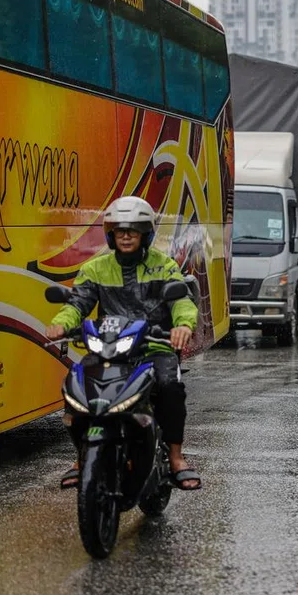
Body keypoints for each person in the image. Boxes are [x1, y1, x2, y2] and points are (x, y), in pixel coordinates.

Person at [46, 196, 202, 491]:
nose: (126, 235)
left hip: (153, 348)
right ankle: (82, 457)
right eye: (120, 230)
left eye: (133, 229)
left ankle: (176, 456)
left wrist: (183, 325)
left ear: (146, 234)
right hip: (109, 349)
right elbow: (77, 304)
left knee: (170, 386)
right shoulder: (95, 269)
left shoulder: (163, 266)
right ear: (111, 234)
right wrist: (61, 324)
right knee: (75, 389)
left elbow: (182, 301)